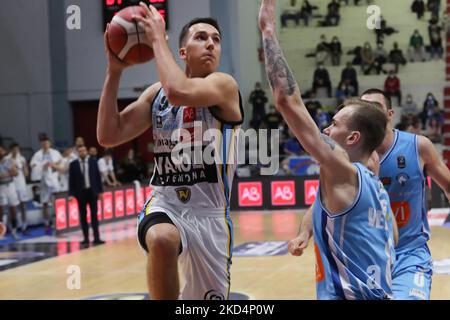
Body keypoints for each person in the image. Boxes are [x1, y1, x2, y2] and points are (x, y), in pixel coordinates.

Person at [98, 4, 243, 300]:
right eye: (201, 37)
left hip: (210, 215)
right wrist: (114, 72)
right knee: (162, 239)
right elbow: (108, 135)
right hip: (166, 203)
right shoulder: (156, 95)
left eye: (216, 39)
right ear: (183, 52)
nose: (211, 44)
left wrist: (157, 40)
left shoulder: (224, 85)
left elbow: (179, 91)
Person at [259, 0, 395, 300]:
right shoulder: (376, 188)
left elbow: (287, 100)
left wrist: (268, 31)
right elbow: (325, 203)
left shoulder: (342, 170)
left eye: (334, 124)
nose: (325, 130)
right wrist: (305, 232)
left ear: (353, 138)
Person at [361, 88, 450, 299]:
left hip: (410, 253)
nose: (369, 113)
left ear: (390, 114)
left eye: (376, 108)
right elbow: (324, 197)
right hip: (368, 257)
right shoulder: (351, 155)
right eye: (364, 109)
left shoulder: (418, 146)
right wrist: (305, 232)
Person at [69, 145, 104, 246]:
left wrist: (100, 192)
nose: (82, 152)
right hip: (81, 194)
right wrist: (71, 194)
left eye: (84, 150)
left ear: (86, 151)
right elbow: (71, 181)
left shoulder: (93, 162)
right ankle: (85, 239)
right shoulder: (73, 164)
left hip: (92, 192)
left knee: (94, 216)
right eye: (80, 151)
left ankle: (97, 238)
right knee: (83, 217)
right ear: (78, 153)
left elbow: (98, 177)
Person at [30, 136, 63, 235]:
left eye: (47, 143)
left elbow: (61, 163)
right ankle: (46, 224)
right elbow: (33, 165)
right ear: (41, 144)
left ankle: (58, 224)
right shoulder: (37, 155)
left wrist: (54, 164)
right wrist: (41, 166)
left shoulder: (55, 153)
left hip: (54, 180)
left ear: (50, 143)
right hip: (44, 181)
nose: (45, 145)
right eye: (43, 143)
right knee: (44, 203)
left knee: (57, 202)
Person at [6, 143, 30, 234]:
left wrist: (24, 166)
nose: (16, 151)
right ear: (11, 150)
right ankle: (10, 227)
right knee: (12, 208)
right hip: (12, 186)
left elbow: (26, 174)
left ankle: (24, 227)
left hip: (21, 185)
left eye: (17, 149)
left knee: (23, 206)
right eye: (14, 149)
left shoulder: (22, 158)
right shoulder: (7, 160)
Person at [0, 145, 20, 240]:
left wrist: (5, 174)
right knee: (1, 210)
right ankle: (1, 233)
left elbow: (16, 173)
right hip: (1, 187)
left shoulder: (8, 161)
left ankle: (14, 231)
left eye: (1, 150)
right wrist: (8, 173)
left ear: (4, 151)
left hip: (10, 186)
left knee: (13, 209)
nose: (0, 152)